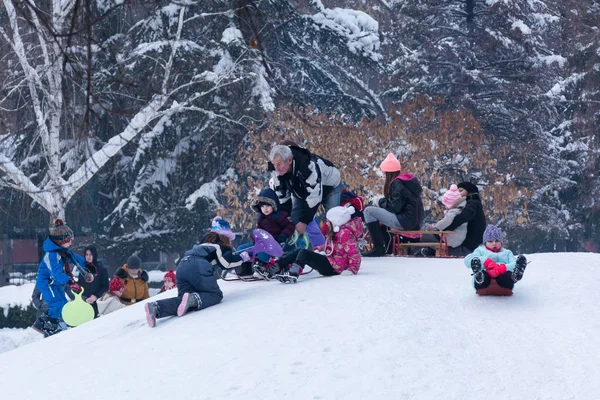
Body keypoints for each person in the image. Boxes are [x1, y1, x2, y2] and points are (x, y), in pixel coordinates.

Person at [144, 231, 250, 328]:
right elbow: (227, 263)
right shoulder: (220, 246)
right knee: (215, 295)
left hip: (182, 266)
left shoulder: (201, 246)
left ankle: (156, 307)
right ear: (225, 238)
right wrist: (243, 258)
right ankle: (194, 299)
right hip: (198, 266)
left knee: (183, 301)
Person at [254, 206, 363, 283]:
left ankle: (293, 273)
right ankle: (274, 268)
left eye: (328, 221)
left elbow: (354, 253)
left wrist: (352, 270)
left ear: (336, 221)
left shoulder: (344, 234)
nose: (326, 223)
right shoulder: (338, 232)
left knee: (304, 253)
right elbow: (338, 247)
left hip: (335, 267)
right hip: (333, 262)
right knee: (298, 251)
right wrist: (322, 247)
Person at [35, 219, 93, 337]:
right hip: (47, 283)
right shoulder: (51, 255)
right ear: (61, 241)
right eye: (69, 240)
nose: (71, 242)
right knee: (56, 304)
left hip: (55, 283)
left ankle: (55, 326)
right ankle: (44, 327)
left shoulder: (63, 251)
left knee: (64, 304)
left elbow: (75, 258)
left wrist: (87, 265)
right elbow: (56, 274)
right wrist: (70, 281)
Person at [268, 144, 343, 236]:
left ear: (289, 160)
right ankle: (299, 246)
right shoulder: (276, 171)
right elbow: (282, 196)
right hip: (301, 189)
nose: (276, 168)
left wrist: (304, 221)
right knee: (294, 219)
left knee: (335, 220)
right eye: (274, 164)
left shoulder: (308, 166)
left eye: (279, 164)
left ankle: (339, 245)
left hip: (329, 186)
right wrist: (280, 220)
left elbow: (314, 197)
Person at [362, 153, 425, 257]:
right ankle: (387, 245)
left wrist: (380, 201)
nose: (383, 176)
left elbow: (394, 207)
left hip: (406, 221)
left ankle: (378, 247)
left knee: (368, 211)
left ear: (388, 173)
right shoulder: (405, 181)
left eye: (384, 173)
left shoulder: (397, 183)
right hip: (414, 221)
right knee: (375, 212)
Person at [464, 225, 528, 291]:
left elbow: (513, 263)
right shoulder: (480, 250)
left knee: (506, 276)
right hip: (485, 278)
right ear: (485, 242)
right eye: (490, 241)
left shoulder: (507, 253)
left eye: (497, 241)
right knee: (484, 275)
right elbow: (468, 260)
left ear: (501, 242)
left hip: (503, 280)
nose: (494, 243)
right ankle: (479, 276)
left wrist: (503, 268)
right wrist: (485, 261)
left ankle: (515, 276)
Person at [417, 184, 468, 257]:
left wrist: (435, 227)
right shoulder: (461, 209)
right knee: (431, 236)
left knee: (424, 236)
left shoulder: (454, 212)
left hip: (452, 238)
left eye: (446, 204)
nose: (445, 207)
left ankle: (429, 251)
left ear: (451, 203)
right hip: (456, 236)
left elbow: (445, 222)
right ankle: (430, 250)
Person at [442, 181, 487, 254]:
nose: (458, 193)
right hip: (469, 242)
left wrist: (447, 228)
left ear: (469, 192)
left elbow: (464, 217)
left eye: (461, 190)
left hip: (468, 243)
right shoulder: (471, 203)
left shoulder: (472, 203)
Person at [77, 246, 109, 317]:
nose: (88, 257)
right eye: (87, 254)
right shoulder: (82, 270)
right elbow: (80, 287)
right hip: (84, 304)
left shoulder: (102, 270)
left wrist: (95, 296)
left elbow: (105, 287)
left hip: (98, 304)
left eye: (90, 254)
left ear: (94, 255)